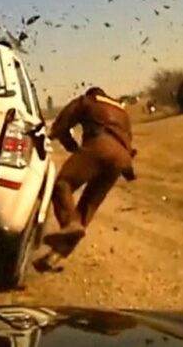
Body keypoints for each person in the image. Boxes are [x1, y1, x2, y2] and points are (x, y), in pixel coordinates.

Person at [34, 87, 137, 270]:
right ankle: (55, 256)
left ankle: (69, 224)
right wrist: (128, 170)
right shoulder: (122, 112)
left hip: (100, 146)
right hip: (122, 158)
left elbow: (61, 126)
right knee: (88, 206)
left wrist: (71, 146)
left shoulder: (87, 101)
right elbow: (128, 144)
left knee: (62, 185)